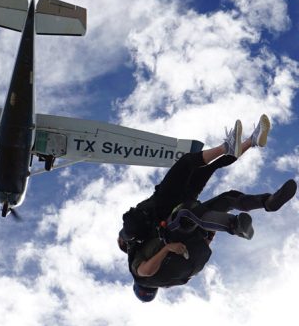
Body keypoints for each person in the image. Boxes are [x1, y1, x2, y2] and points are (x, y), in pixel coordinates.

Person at [117, 116, 297, 302]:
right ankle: (229, 147)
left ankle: (265, 197)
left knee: (226, 198)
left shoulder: (176, 277)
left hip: (189, 222)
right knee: (189, 164)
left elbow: (200, 246)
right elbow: (145, 270)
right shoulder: (139, 269)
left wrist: (209, 235)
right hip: (172, 210)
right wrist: (166, 249)